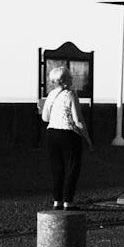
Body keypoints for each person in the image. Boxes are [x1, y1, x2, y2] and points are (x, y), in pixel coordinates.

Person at [41, 65, 93, 210]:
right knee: (72, 168)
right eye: (70, 76)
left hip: (51, 134)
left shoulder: (51, 95)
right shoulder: (70, 94)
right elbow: (78, 120)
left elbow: (45, 117)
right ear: (64, 80)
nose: (72, 78)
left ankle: (57, 201)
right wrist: (87, 139)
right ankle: (68, 202)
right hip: (68, 134)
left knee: (56, 168)